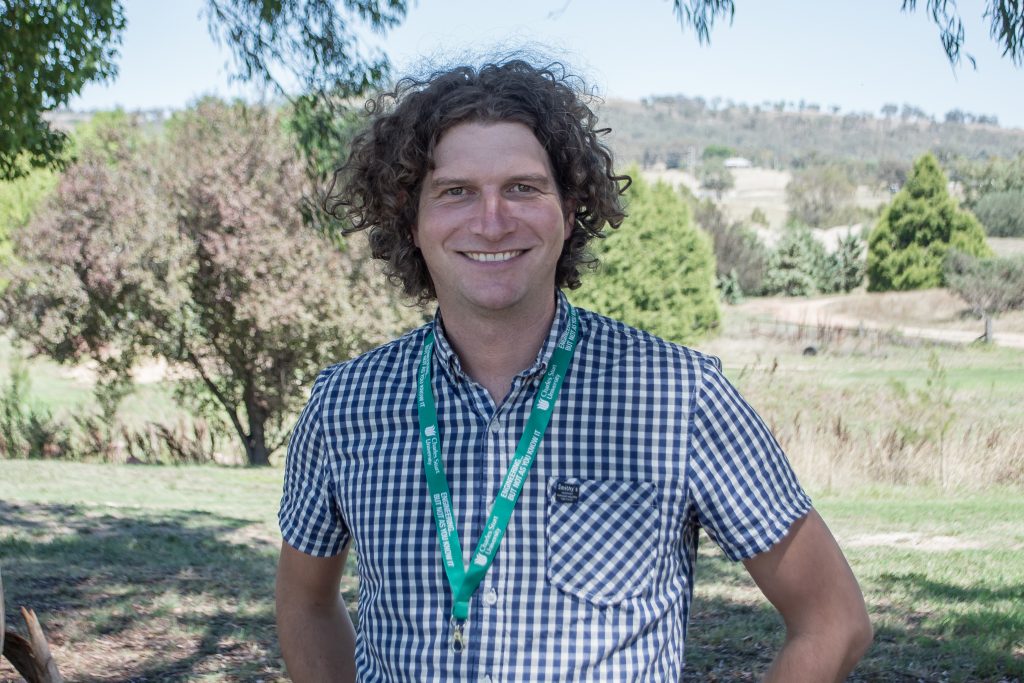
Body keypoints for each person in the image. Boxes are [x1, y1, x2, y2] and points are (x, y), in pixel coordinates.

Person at [275, 58, 872, 681]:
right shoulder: (344, 406)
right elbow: (306, 603)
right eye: (456, 192)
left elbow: (832, 620)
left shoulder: (680, 396)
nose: (491, 220)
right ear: (411, 219)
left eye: (523, 188)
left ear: (571, 207)